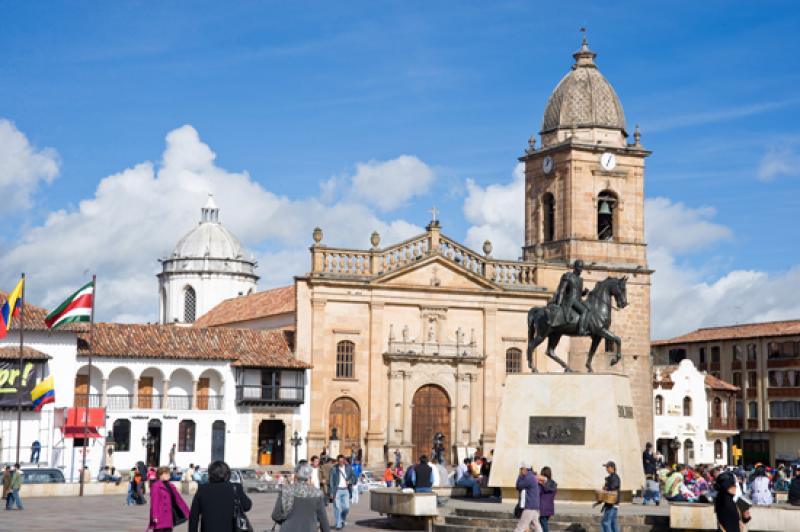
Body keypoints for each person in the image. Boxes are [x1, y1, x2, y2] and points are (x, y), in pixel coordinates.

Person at [188, 460, 252, 532]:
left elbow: (194, 516)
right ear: (227, 473)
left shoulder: (203, 489)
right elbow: (247, 506)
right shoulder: (236, 488)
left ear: (210, 474)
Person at [271, 461, 330, 532]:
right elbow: (323, 519)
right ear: (309, 476)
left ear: (295, 474)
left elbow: (275, 515)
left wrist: (286, 522)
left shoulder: (286, 490)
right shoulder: (317, 493)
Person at [551, 259, 589, 334]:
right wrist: (558, 304)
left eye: (582, 267)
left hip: (578, 300)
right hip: (571, 300)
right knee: (584, 311)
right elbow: (561, 290)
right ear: (575, 267)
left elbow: (578, 293)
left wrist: (584, 292)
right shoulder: (568, 276)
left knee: (589, 308)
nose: (581, 269)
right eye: (579, 267)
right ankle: (581, 329)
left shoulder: (580, 279)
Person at [150, 466, 190, 532]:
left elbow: (179, 500)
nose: (168, 475)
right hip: (160, 514)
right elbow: (154, 502)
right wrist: (155, 515)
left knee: (168, 530)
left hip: (169, 514)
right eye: (166, 473)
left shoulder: (170, 485)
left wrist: (187, 511)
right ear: (160, 475)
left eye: (168, 473)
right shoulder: (156, 485)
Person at [328, 454, 357, 530]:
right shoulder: (333, 469)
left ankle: (342, 520)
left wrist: (350, 481)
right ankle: (338, 524)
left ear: (344, 461)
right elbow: (331, 481)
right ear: (337, 461)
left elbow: (355, 477)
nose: (341, 462)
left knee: (346, 508)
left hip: (346, 490)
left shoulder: (349, 468)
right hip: (337, 490)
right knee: (337, 508)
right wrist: (331, 492)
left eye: (342, 461)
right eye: (339, 461)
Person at [514, 464, 542, 532]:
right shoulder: (531, 477)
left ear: (525, 469)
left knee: (520, 527)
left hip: (530, 506)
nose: (520, 471)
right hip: (534, 505)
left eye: (521, 469)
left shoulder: (528, 477)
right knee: (536, 525)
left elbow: (518, 486)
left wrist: (519, 476)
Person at [599, 461, 620, 532]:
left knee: (605, 523)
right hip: (613, 503)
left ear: (612, 468)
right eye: (606, 467)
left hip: (611, 503)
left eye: (608, 467)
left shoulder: (614, 477)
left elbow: (614, 486)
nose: (606, 469)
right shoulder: (611, 477)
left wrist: (606, 488)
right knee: (613, 523)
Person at [538, 466, 557, 532]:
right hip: (550, 507)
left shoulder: (540, 484)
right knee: (543, 524)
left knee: (543, 525)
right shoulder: (554, 483)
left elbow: (538, 493)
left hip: (542, 507)